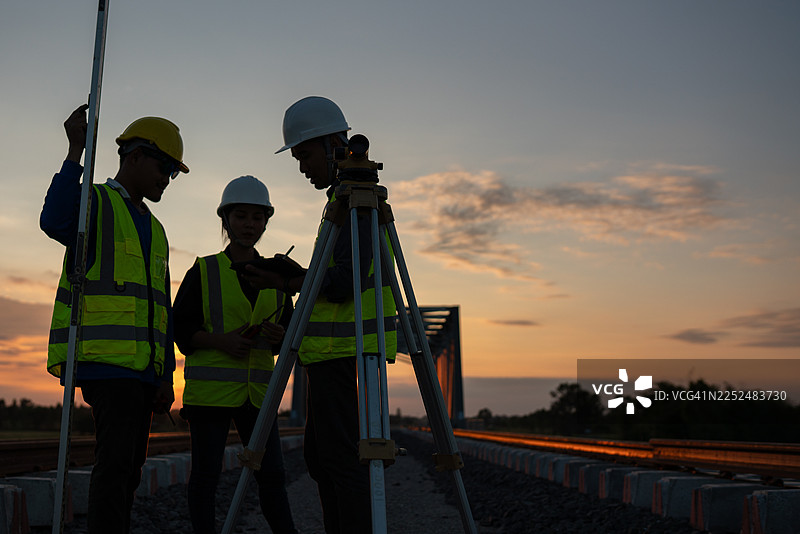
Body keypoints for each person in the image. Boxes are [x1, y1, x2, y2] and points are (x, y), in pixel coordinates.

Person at [244, 96, 398, 534]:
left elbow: (346, 279)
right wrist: (293, 278)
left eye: (304, 155)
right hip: (328, 353)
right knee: (322, 459)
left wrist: (291, 279)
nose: (302, 167)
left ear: (333, 146)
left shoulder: (354, 205)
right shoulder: (340, 201)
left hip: (343, 352)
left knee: (341, 462)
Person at [41, 104, 188, 534]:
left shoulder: (156, 229)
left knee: (130, 468)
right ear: (135, 156)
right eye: (164, 167)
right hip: (105, 364)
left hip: (142, 372)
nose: (167, 179)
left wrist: (164, 376)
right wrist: (75, 152)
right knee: (116, 466)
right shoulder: (97, 203)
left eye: (174, 172)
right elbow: (54, 220)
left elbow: (160, 310)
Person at [173, 175, 298, 534]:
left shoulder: (279, 276)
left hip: (257, 396)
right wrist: (221, 342)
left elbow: (288, 337)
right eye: (241, 216)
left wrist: (280, 337)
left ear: (266, 222)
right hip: (210, 396)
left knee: (272, 475)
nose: (249, 224)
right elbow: (180, 330)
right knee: (206, 476)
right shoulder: (204, 270)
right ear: (225, 220)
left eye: (257, 217)